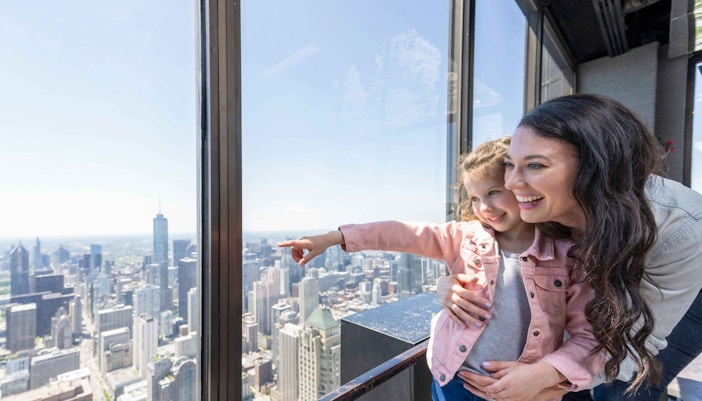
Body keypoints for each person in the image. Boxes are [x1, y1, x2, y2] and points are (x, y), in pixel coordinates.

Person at [279, 138, 604, 401]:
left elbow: (588, 337)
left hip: (526, 393)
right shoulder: (464, 237)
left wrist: (543, 375)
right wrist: (334, 237)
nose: (484, 207)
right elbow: (401, 233)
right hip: (454, 384)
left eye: (493, 192)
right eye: (475, 198)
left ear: (518, 186)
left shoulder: (567, 255)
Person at [439, 93, 702, 401]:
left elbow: (641, 340)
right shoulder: (537, 205)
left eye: (535, 165)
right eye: (510, 165)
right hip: (600, 298)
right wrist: (450, 286)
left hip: (682, 299)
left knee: (625, 390)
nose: (510, 183)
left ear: (596, 168)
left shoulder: (681, 227)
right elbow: (483, 254)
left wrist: (555, 377)